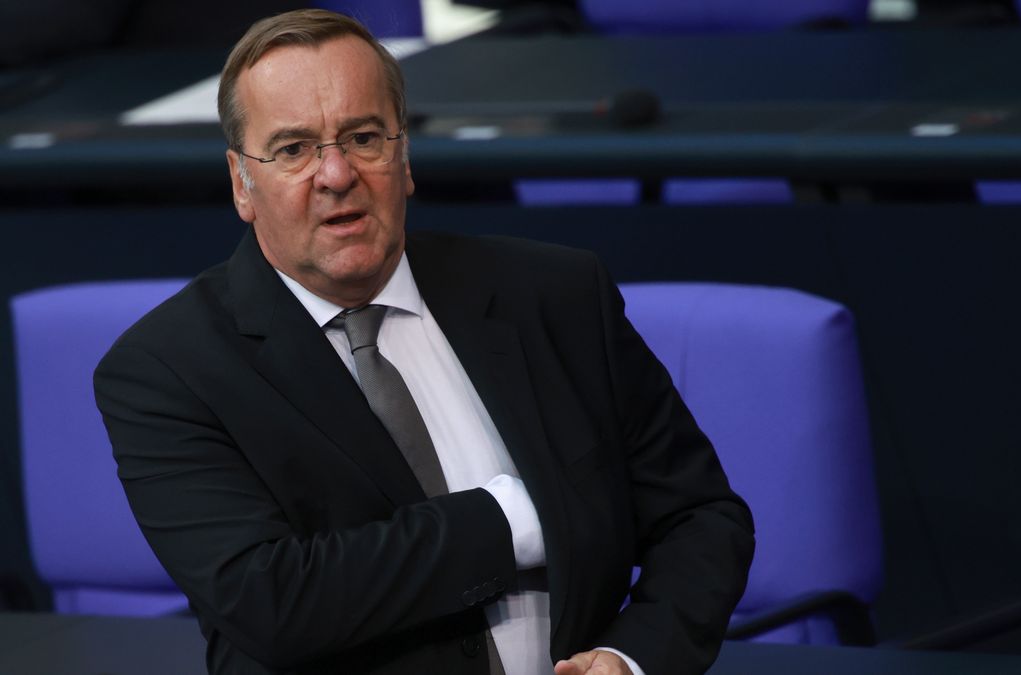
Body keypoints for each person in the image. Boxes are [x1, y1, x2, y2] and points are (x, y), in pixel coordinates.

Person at [94, 9, 753, 675]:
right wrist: (516, 518)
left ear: (404, 156)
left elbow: (700, 517)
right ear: (242, 182)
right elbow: (274, 600)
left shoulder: (556, 295)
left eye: (363, 137)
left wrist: (630, 657)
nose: (336, 174)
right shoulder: (168, 370)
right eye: (294, 149)